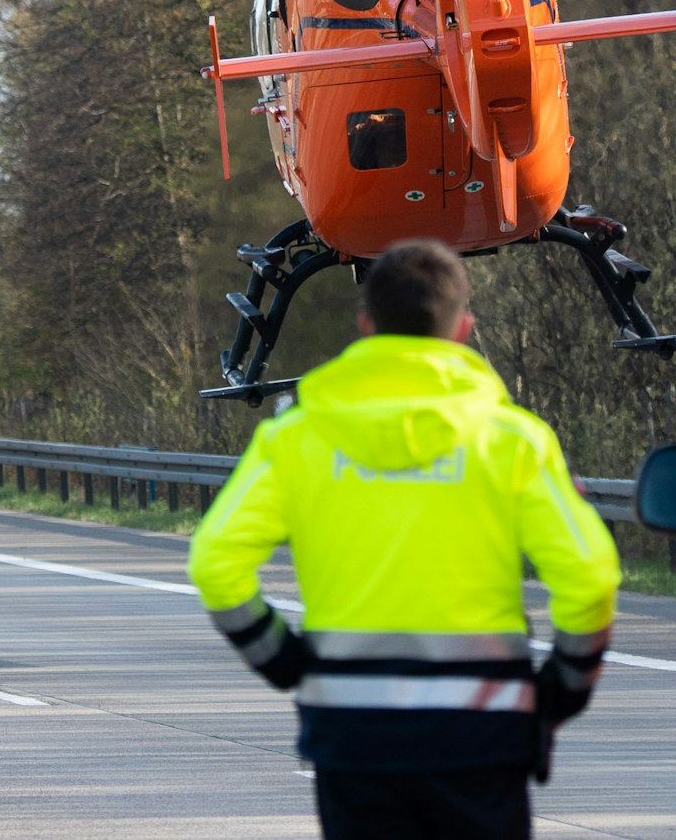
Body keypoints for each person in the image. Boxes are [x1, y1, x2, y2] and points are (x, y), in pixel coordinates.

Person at [188, 239, 622, 839]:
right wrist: (563, 689)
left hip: (353, 736)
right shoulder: (513, 441)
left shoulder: (297, 437)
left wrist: (281, 659)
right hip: (482, 736)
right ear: (463, 330)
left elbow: (215, 561)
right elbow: (591, 574)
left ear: (367, 325)